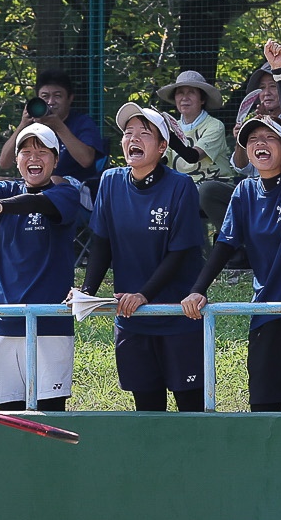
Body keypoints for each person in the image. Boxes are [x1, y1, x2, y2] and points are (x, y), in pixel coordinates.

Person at [183, 42, 281, 412]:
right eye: (253, 139)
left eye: (269, 137)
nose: (260, 143)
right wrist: (198, 290)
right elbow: (224, 245)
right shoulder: (244, 193)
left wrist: (280, 74)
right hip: (266, 315)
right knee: (263, 410)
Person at [0, 123, 91, 411]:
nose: (33, 158)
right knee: (10, 415)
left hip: (49, 325)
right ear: (17, 159)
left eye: (42, 152)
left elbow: (38, 203)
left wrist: (0, 207)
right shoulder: (5, 189)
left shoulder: (66, 193)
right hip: (1, 323)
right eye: (26, 152)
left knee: (50, 413)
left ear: (55, 159)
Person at [82, 104, 207, 411]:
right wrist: (86, 292)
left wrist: (143, 294)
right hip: (132, 320)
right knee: (147, 411)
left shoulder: (181, 186)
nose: (133, 138)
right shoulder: (110, 181)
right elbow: (101, 243)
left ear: (162, 147)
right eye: (128, 133)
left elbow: (180, 252)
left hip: (179, 318)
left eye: (144, 133)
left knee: (191, 410)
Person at [0, 68, 107, 189]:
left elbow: (86, 160)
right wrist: (23, 125)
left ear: (70, 98)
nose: (51, 102)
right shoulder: (33, 125)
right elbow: (4, 163)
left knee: (53, 180)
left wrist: (59, 127)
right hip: (34, 181)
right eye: (45, 96)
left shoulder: (82, 122)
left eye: (57, 96)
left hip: (74, 185)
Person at [157, 69, 234, 230]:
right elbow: (162, 162)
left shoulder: (215, 126)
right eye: (180, 93)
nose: (184, 97)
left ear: (202, 99)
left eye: (191, 92)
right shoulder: (172, 127)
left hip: (215, 188)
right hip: (183, 189)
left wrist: (167, 134)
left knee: (203, 190)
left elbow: (192, 157)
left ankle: (229, 239)